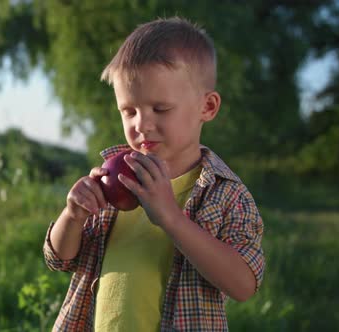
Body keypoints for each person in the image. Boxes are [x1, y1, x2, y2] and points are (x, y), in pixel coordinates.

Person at [43, 16, 265, 331]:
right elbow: (60, 259)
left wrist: (171, 218)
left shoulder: (224, 194)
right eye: (129, 111)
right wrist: (73, 215)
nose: (142, 125)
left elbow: (244, 285)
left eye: (160, 109)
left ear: (208, 107)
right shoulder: (113, 181)